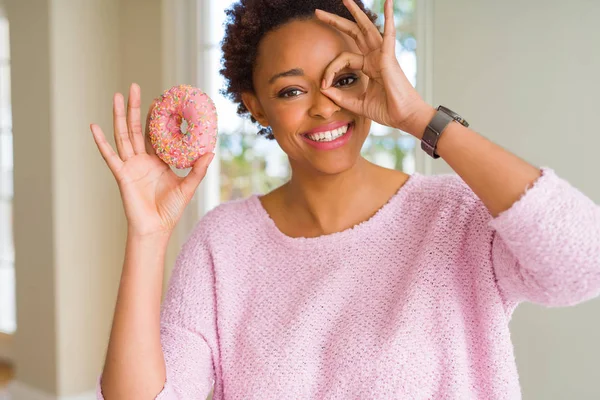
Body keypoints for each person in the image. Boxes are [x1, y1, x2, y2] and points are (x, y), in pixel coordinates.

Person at [90, 0, 600, 398]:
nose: (325, 107)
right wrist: (148, 235)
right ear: (257, 107)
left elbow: (584, 263)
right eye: (291, 91)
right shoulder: (222, 243)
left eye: (345, 80)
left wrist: (422, 118)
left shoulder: (454, 217)